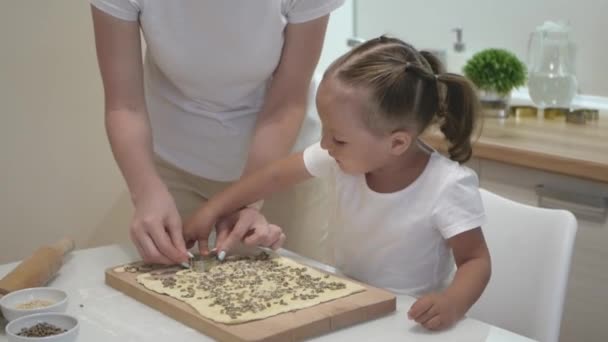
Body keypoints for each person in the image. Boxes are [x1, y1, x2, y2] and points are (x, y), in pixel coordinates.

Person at [184, 36, 492, 330]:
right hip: (350, 303)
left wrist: (452, 303)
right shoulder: (341, 156)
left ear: (397, 143)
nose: (325, 144)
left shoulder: (447, 186)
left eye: (339, 138)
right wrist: (213, 209)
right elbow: (273, 176)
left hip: (406, 320)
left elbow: (475, 261)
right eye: (325, 130)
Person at [90, 0, 345, 265]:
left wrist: (247, 200)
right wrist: (145, 192)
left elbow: (286, 105)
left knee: (293, 293)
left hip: (279, 168)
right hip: (175, 167)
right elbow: (124, 106)